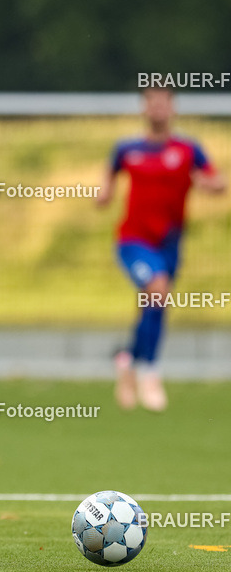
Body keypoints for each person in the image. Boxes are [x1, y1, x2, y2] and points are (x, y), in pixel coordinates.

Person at [97, 87, 225, 411]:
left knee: (155, 305)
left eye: (163, 103)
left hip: (170, 243)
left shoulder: (187, 149)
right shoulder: (127, 149)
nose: (157, 109)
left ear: (172, 109)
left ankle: (128, 358)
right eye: (151, 103)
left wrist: (209, 184)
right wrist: (103, 194)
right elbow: (107, 182)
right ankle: (150, 373)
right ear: (143, 109)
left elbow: (217, 181)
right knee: (157, 289)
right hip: (133, 242)